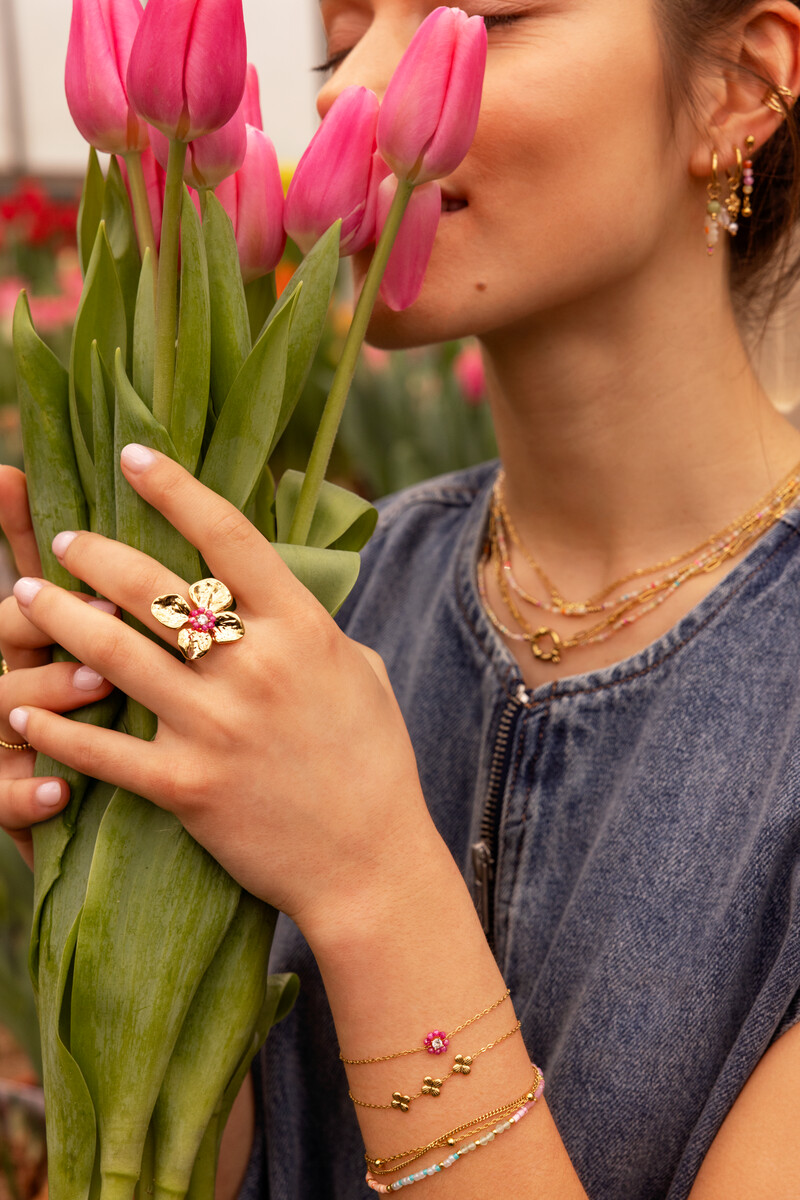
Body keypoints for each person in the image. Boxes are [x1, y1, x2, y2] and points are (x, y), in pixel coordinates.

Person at [2, 0, 800, 1196]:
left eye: (475, 19)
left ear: (738, 82)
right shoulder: (319, 596)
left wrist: (368, 879)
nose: (347, 93)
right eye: (337, 39)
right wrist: (111, 870)